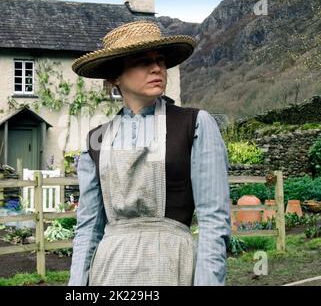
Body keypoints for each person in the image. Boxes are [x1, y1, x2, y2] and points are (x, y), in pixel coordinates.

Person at [68, 20, 231, 286]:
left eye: (161, 60)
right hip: (109, 273)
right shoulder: (95, 141)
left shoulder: (195, 124)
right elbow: (88, 229)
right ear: (115, 76)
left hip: (171, 268)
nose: (157, 68)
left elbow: (214, 222)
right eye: (143, 61)